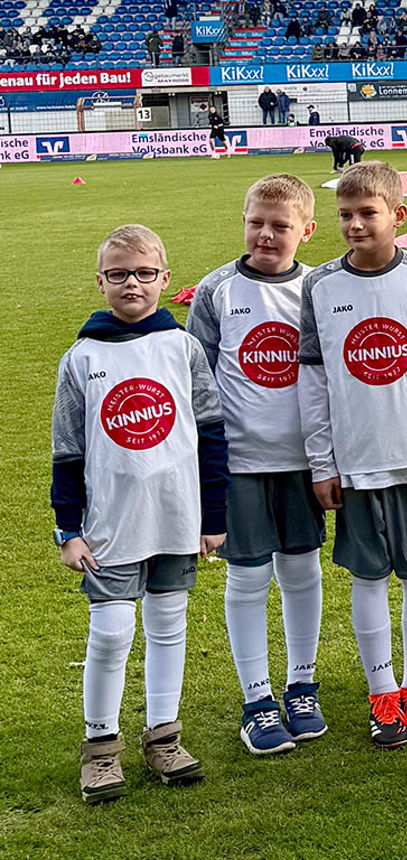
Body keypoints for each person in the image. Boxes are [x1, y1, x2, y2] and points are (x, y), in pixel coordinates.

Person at [53, 224, 227, 803]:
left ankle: (164, 738)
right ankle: (100, 749)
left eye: (145, 273)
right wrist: (67, 528)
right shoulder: (81, 357)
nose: (133, 283)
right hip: (111, 523)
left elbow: (211, 435)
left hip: (177, 516)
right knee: (111, 631)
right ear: (100, 281)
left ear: (165, 279)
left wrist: (214, 515)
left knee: (168, 624)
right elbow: (68, 450)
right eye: (120, 273)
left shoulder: (183, 348)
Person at [298, 163, 407, 748]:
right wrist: (323, 462)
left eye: (367, 213)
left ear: (398, 215)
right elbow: (314, 384)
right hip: (356, 461)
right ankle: (382, 695)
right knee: (368, 577)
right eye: (345, 215)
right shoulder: (320, 287)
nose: (354, 224)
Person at [187, 176, 326, 754]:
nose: (266, 235)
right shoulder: (216, 290)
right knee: (247, 577)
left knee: (302, 570)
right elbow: (193, 384)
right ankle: (257, 699)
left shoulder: (319, 289)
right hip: (239, 462)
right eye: (255, 223)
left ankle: (301, 685)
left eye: (281, 226)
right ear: (243, 221)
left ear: (306, 231)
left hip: (303, 460)